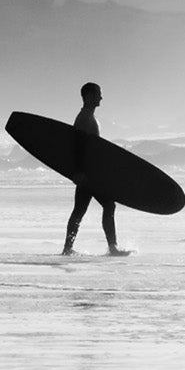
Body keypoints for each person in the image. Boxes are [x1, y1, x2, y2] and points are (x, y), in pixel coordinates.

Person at [63, 80, 127, 256]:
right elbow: (77, 146)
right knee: (108, 205)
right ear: (89, 96)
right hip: (88, 174)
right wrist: (78, 171)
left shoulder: (89, 117)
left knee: (80, 211)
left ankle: (68, 248)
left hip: (90, 172)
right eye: (98, 93)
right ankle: (112, 247)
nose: (101, 97)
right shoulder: (84, 118)